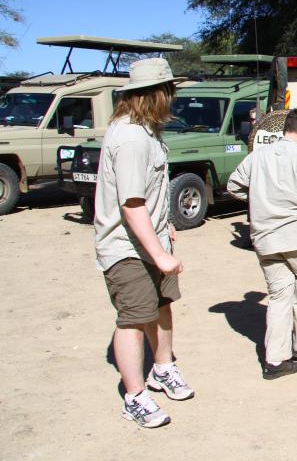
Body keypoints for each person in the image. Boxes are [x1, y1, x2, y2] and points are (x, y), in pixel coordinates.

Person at [94, 58, 191, 429]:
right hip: (128, 248)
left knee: (161, 306)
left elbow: (149, 196)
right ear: (156, 94)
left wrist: (165, 227)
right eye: (170, 90)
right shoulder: (132, 138)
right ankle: (134, 396)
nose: (173, 96)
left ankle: (163, 368)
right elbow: (132, 205)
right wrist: (160, 254)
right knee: (133, 319)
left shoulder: (147, 131)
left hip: (150, 239)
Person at [227, 109, 297, 379]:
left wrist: (259, 198)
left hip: (264, 236)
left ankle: (275, 359)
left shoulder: (258, 155)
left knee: (278, 295)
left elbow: (234, 186)